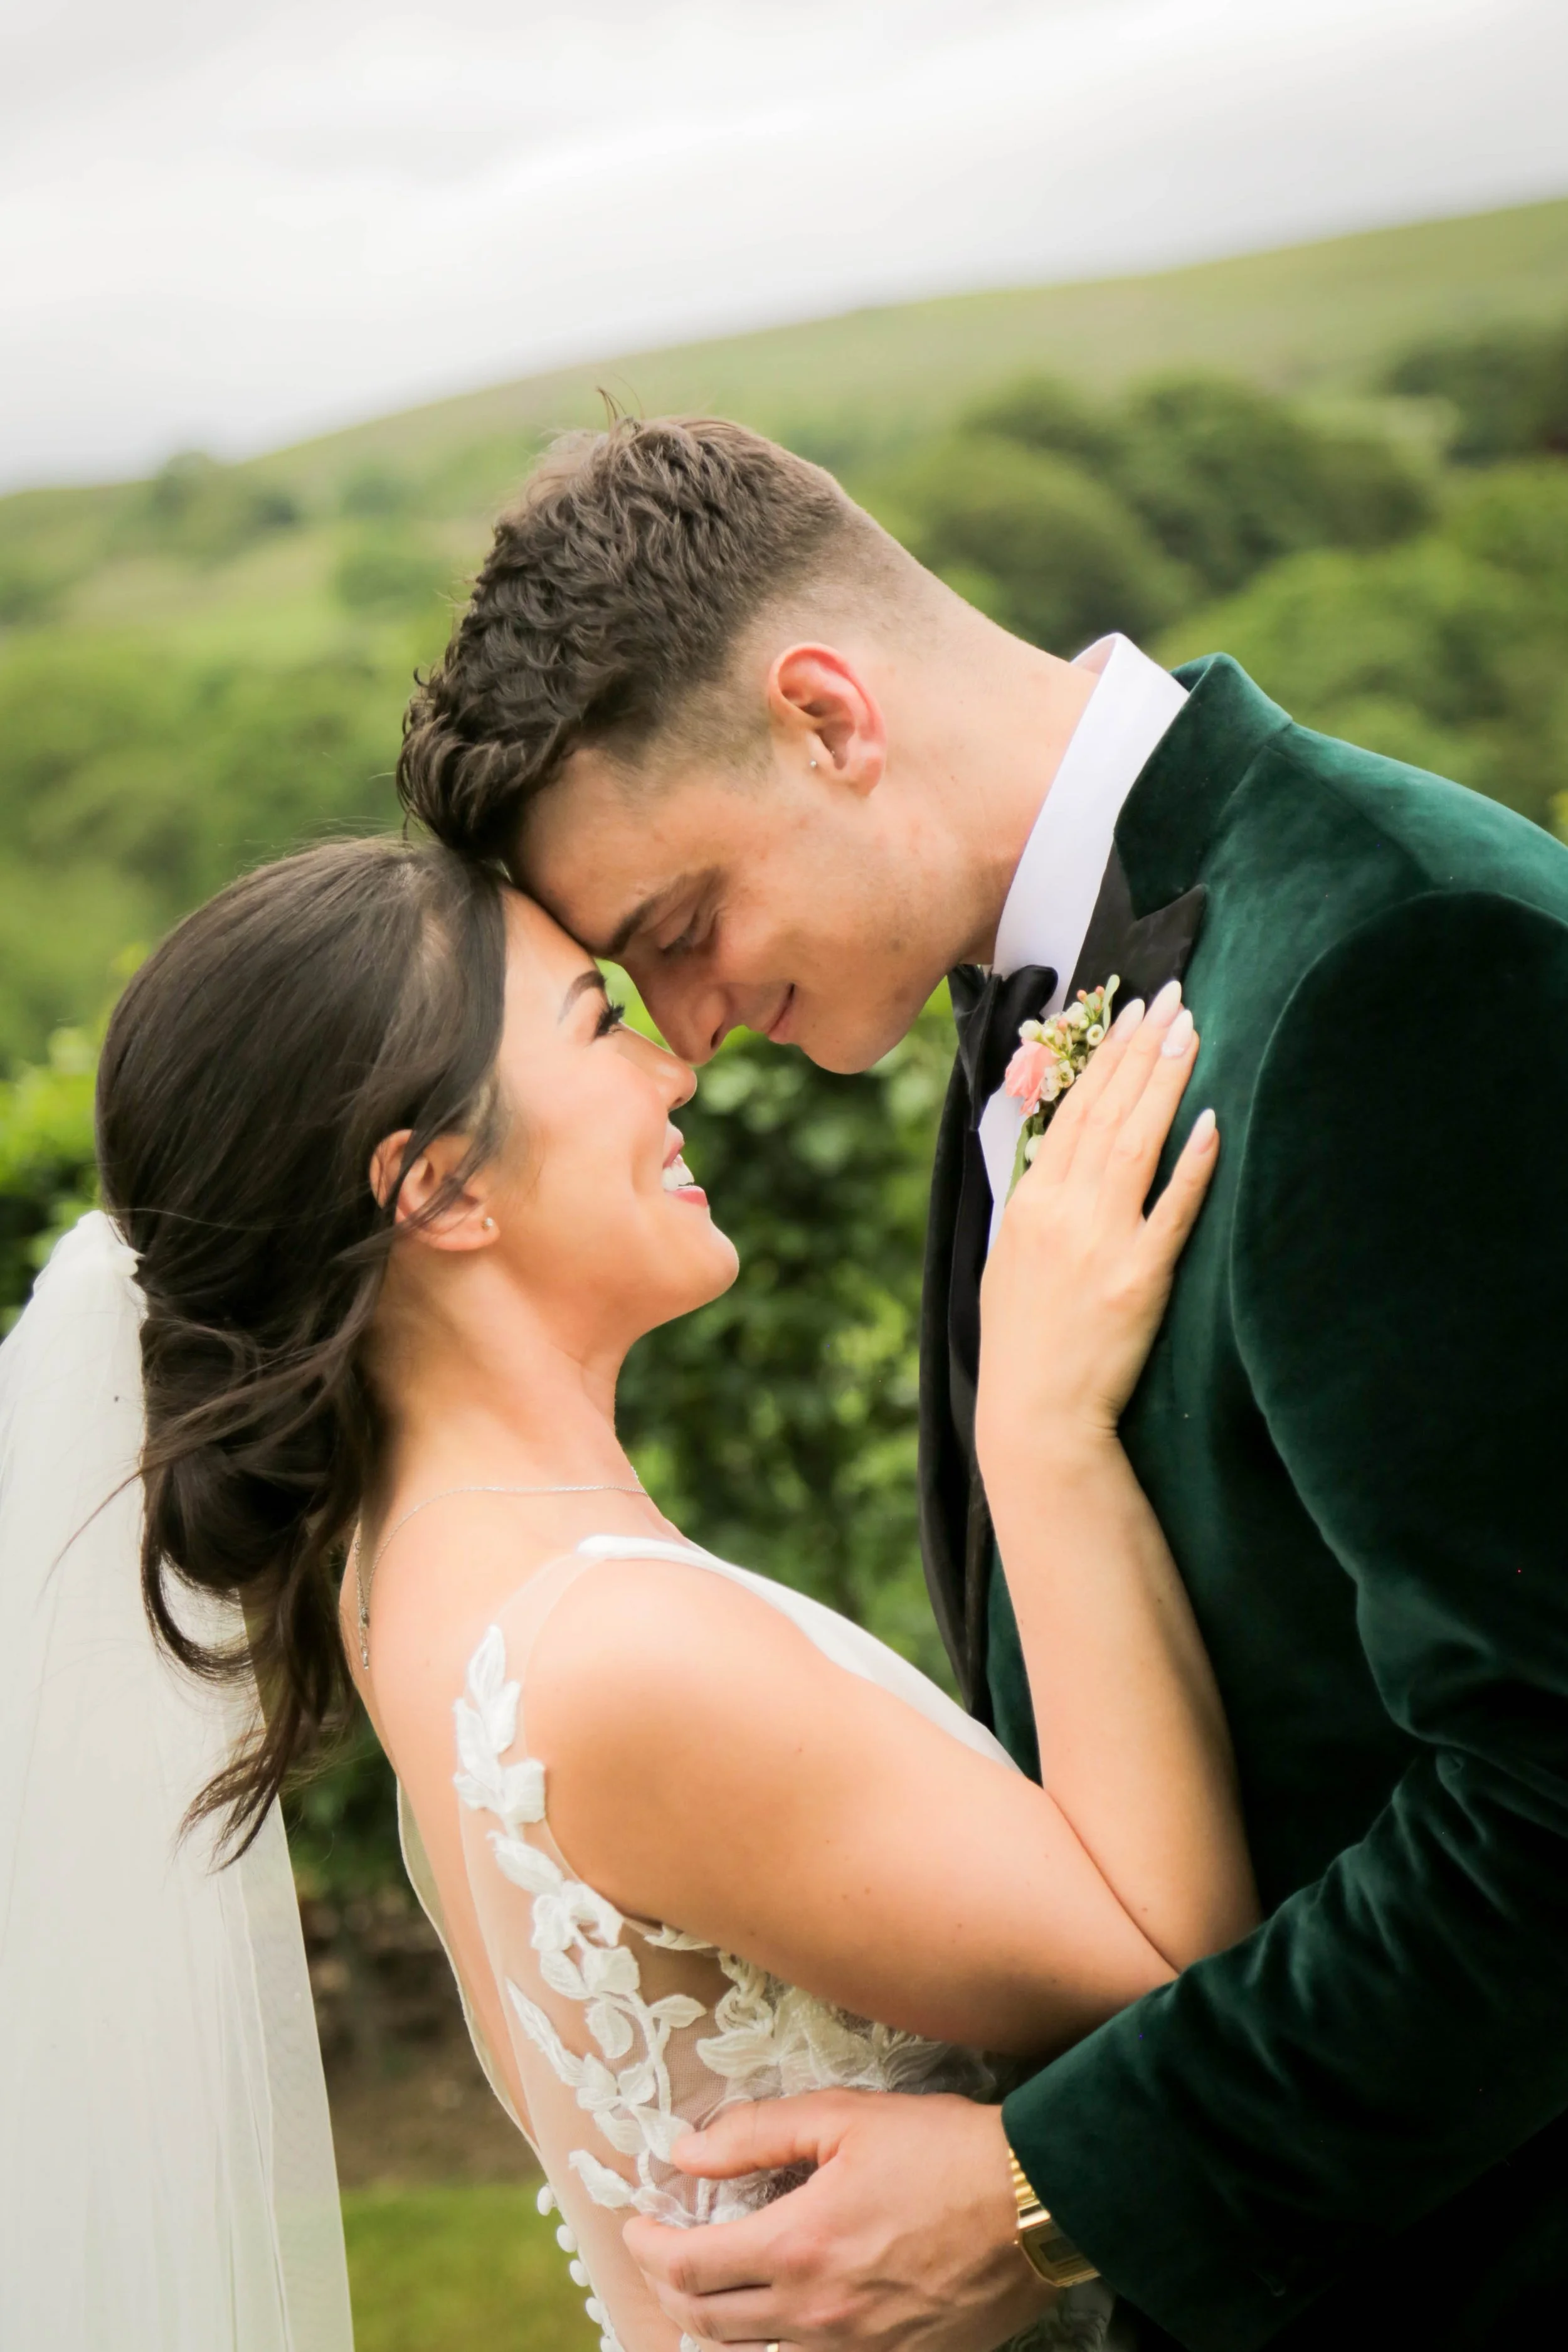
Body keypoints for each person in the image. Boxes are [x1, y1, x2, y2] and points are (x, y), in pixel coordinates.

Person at [396, 415, 1568, 2351]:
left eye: (680, 929)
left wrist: (1054, 2184)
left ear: (825, 715)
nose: (688, 1032)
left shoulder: (1394, 961)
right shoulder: (1013, 984)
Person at [82, 832, 1245, 2352]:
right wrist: (1034, 1435)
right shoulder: (608, 1654)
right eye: (592, 1023)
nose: (674, 1074)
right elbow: (1190, 1981)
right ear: (439, 1192)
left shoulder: (410, 1571)